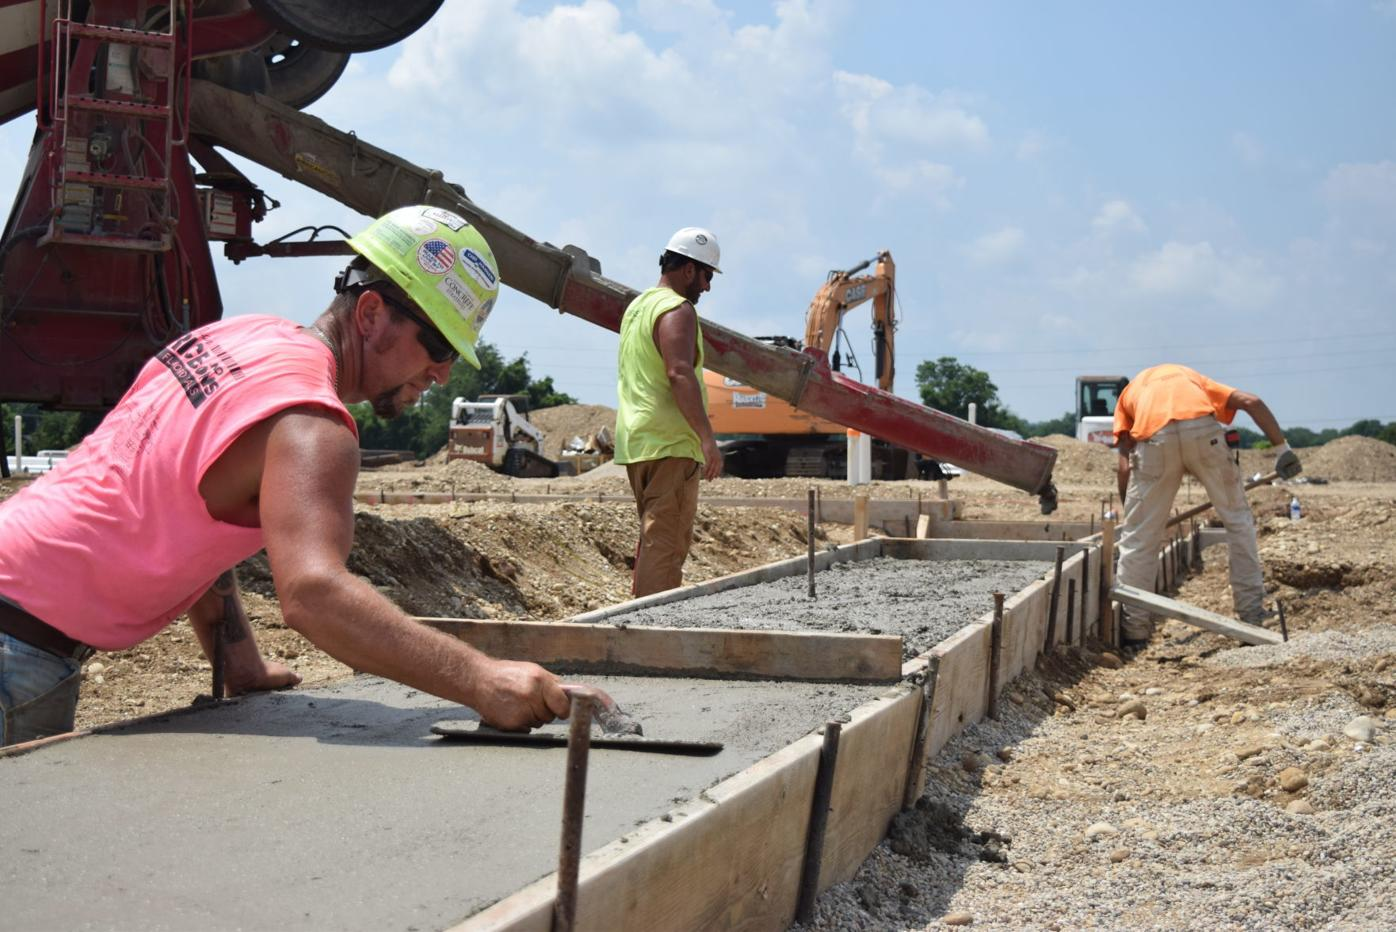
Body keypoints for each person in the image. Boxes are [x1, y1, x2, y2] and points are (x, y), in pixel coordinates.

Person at [0, 205, 571, 746]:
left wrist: (242, 664)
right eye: (440, 345)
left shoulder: (240, 338)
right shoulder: (314, 423)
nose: (443, 374)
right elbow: (314, 595)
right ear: (370, 313)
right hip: (18, 649)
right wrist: (480, 680)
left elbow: (185, 508)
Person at [1112, 363, 1303, 647]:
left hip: (1154, 439)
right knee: (1238, 523)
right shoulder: (1194, 381)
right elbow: (1252, 402)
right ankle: (1251, 618)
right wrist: (1282, 451)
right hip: (1203, 432)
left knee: (1139, 541)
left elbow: (1124, 464)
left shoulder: (1131, 394)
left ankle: (1134, 632)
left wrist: (1133, 512)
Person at [614, 227, 724, 597]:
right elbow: (679, 373)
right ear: (689, 269)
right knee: (666, 545)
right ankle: (647, 638)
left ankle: (638, 619)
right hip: (671, 444)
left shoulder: (637, 308)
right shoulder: (677, 310)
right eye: (707, 275)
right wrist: (707, 439)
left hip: (638, 442)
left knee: (654, 538)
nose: (707, 287)